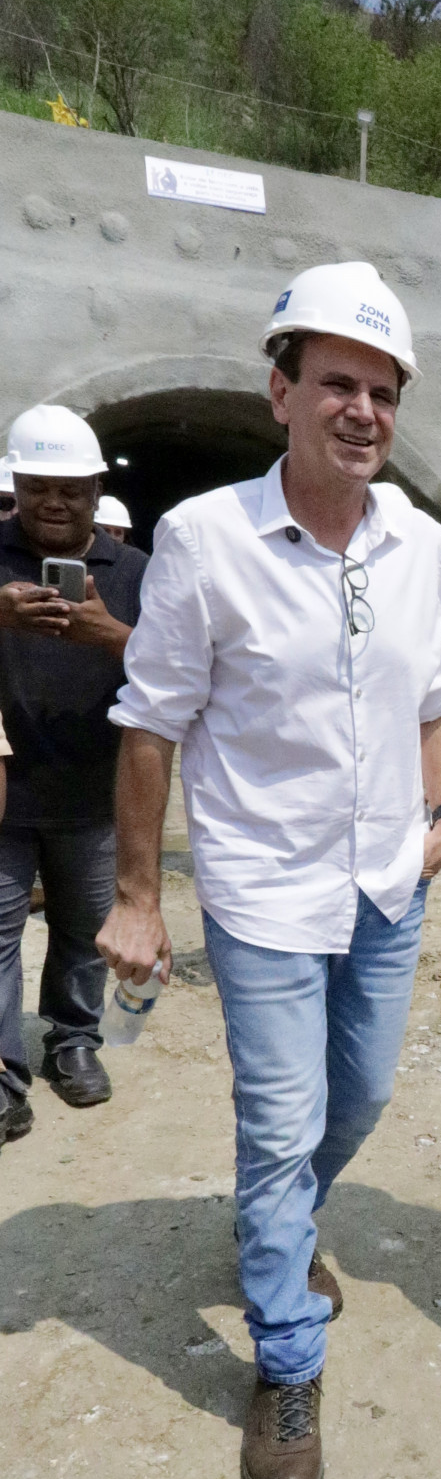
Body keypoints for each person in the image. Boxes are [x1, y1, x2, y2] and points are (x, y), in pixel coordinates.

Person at [97, 261, 441, 1479]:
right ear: (279, 390)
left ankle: (282, 1221)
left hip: (384, 886)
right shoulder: (204, 540)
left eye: (381, 391)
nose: (361, 410)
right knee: (278, 1123)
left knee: (353, 1096)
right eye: (335, 384)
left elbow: (439, 705)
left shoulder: (422, 545)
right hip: (260, 891)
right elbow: (150, 727)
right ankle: (286, 1364)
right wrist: (141, 899)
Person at [0, 406, 147, 1128]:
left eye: (69, 488)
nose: (52, 502)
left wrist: (110, 634)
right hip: (2, 791)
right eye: (36, 487)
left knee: (85, 927)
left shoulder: (138, 573)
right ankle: (2, 1074)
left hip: (95, 788)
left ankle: (73, 1040)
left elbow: (178, 671)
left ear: (95, 491)